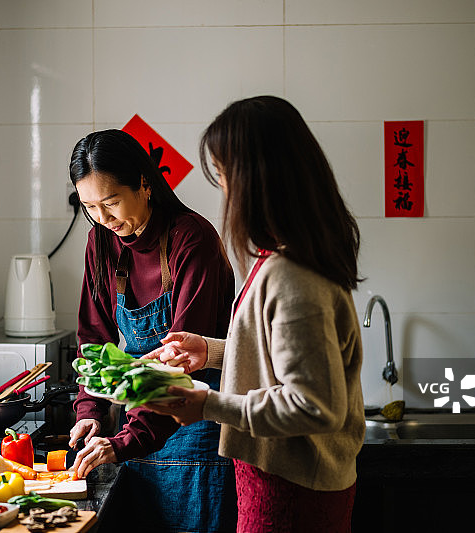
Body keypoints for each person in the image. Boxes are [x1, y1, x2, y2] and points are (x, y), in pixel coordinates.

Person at [144, 95, 366, 533]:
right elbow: (282, 359)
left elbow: (313, 405)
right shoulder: (291, 258)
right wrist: (209, 352)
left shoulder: (293, 275)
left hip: (291, 490)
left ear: (256, 181)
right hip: (283, 478)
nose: (225, 192)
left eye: (225, 176)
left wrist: (208, 404)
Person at [67, 129, 237, 532]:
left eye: (111, 203)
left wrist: (125, 440)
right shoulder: (100, 242)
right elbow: (94, 338)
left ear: (145, 183)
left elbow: (179, 362)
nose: (103, 219)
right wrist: (89, 411)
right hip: (137, 425)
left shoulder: (191, 238)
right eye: (90, 207)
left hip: (194, 420)